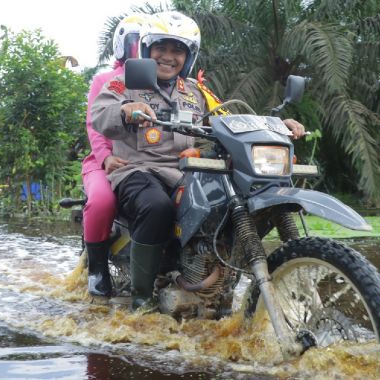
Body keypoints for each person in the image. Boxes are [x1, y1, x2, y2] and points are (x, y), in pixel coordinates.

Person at [92, 11, 305, 310]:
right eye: (161, 48)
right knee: (157, 206)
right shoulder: (125, 82)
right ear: (146, 50)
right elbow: (100, 115)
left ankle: (208, 273)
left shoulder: (195, 90)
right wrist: (126, 109)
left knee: (221, 204)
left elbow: (233, 119)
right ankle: (142, 301)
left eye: (177, 50)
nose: (168, 56)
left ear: (188, 56)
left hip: (184, 171)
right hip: (136, 170)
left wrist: (277, 124)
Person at [81, 13, 147, 297]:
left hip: (150, 160)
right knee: (101, 201)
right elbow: (94, 125)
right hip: (106, 161)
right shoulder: (108, 80)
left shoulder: (167, 83)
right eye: (137, 42)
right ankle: (97, 271)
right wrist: (105, 157)